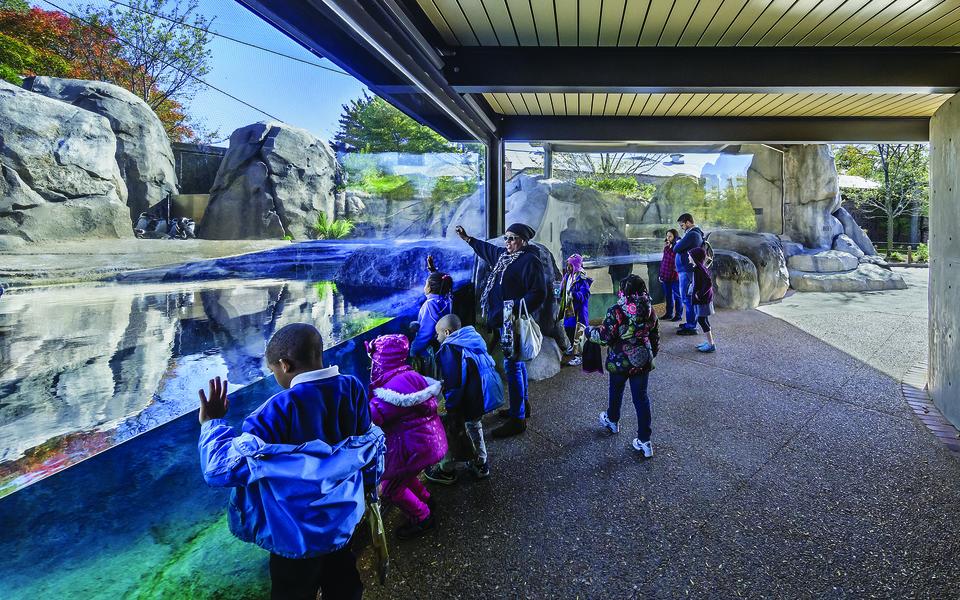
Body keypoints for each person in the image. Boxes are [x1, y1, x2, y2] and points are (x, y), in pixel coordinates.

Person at [197, 323, 383, 600]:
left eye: (273, 371)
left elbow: (219, 469)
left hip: (295, 536)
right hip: (342, 523)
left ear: (284, 365)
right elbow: (365, 449)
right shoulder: (353, 388)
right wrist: (371, 490)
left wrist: (212, 424)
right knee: (345, 585)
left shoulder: (274, 411)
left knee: (292, 592)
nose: (276, 377)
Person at [455, 222, 546, 439]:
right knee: (517, 363)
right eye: (506, 238)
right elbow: (488, 250)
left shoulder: (530, 261)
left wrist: (513, 307)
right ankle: (522, 405)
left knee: (512, 365)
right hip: (503, 320)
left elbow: (539, 292)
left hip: (512, 322)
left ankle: (517, 419)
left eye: (513, 238)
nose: (508, 242)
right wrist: (468, 239)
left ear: (524, 241)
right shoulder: (504, 257)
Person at [366, 334, 447, 540]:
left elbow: (374, 415)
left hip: (413, 447)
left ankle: (422, 517)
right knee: (405, 476)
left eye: (375, 358)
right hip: (428, 442)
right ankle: (426, 499)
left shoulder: (393, 386)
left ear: (383, 359)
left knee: (391, 487)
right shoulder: (409, 374)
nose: (373, 362)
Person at [424, 313, 503, 484]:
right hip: (481, 395)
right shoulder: (471, 338)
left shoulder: (450, 347)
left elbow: (455, 382)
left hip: (467, 397)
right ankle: (481, 463)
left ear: (447, 332)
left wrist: (450, 406)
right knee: (474, 425)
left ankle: (446, 470)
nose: (437, 338)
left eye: (437, 334)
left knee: (452, 429)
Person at [587, 275, 660, 458]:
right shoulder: (650, 310)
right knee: (641, 399)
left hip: (620, 361)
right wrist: (651, 354)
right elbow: (654, 336)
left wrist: (588, 333)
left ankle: (612, 420)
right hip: (642, 361)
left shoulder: (616, 311)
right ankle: (645, 441)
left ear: (623, 291)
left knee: (616, 391)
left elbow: (605, 337)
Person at [409, 256, 453, 376]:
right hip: (442, 347)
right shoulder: (447, 298)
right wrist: (432, 270)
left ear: (430, 287)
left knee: (432, 377)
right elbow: (442, 281)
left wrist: (413, 349)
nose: (424, 286)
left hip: (430, 351)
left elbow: (425, 333)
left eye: (426, 283)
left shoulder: (430, 305)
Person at [557, 254, 592, 366]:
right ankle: (573, 347)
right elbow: (563, 288)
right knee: (568, 328)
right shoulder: (568, 276)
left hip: (578, 310)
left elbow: (585, 295)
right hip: (569, 309)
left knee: (579, 333)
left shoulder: (582, 278)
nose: (568, 267)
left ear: (576, 265)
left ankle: (578, 356)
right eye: (568, 265)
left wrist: (574, 295)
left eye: (570, 265)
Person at [673, 213, 706, 336]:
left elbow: (676, 248)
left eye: (682, 224)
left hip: (687, 271)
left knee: (687, 298)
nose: (681, 227)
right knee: (687, 297)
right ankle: (690, 322)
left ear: (688, 222)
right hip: (686, 270)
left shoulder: (692, 234)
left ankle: (691, 326)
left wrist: (678, 242)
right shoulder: (693, 234)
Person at [689, 247, 717, 353]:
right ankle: (710, 342)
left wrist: (699, 294)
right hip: (703, 300)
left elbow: (708, 282)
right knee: (703, 319)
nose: (688, 257)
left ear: (695, 258)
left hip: (703, 300)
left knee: (701, 320)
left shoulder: (699, 269)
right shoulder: (698, 268)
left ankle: (711, 345)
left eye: (690, 256)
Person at [659, 229, 682, 322]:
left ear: (675, 237)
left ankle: (678, 315)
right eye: (667, 236)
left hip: (674, 276)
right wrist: (661, 275)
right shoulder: (667, 248)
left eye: (670, 236)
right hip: (665, 275)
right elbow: (664, 261)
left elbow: (676, 261)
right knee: (668, 296)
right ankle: (669, 314)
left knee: (677, 296)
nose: (668, 238)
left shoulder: (678, 248)